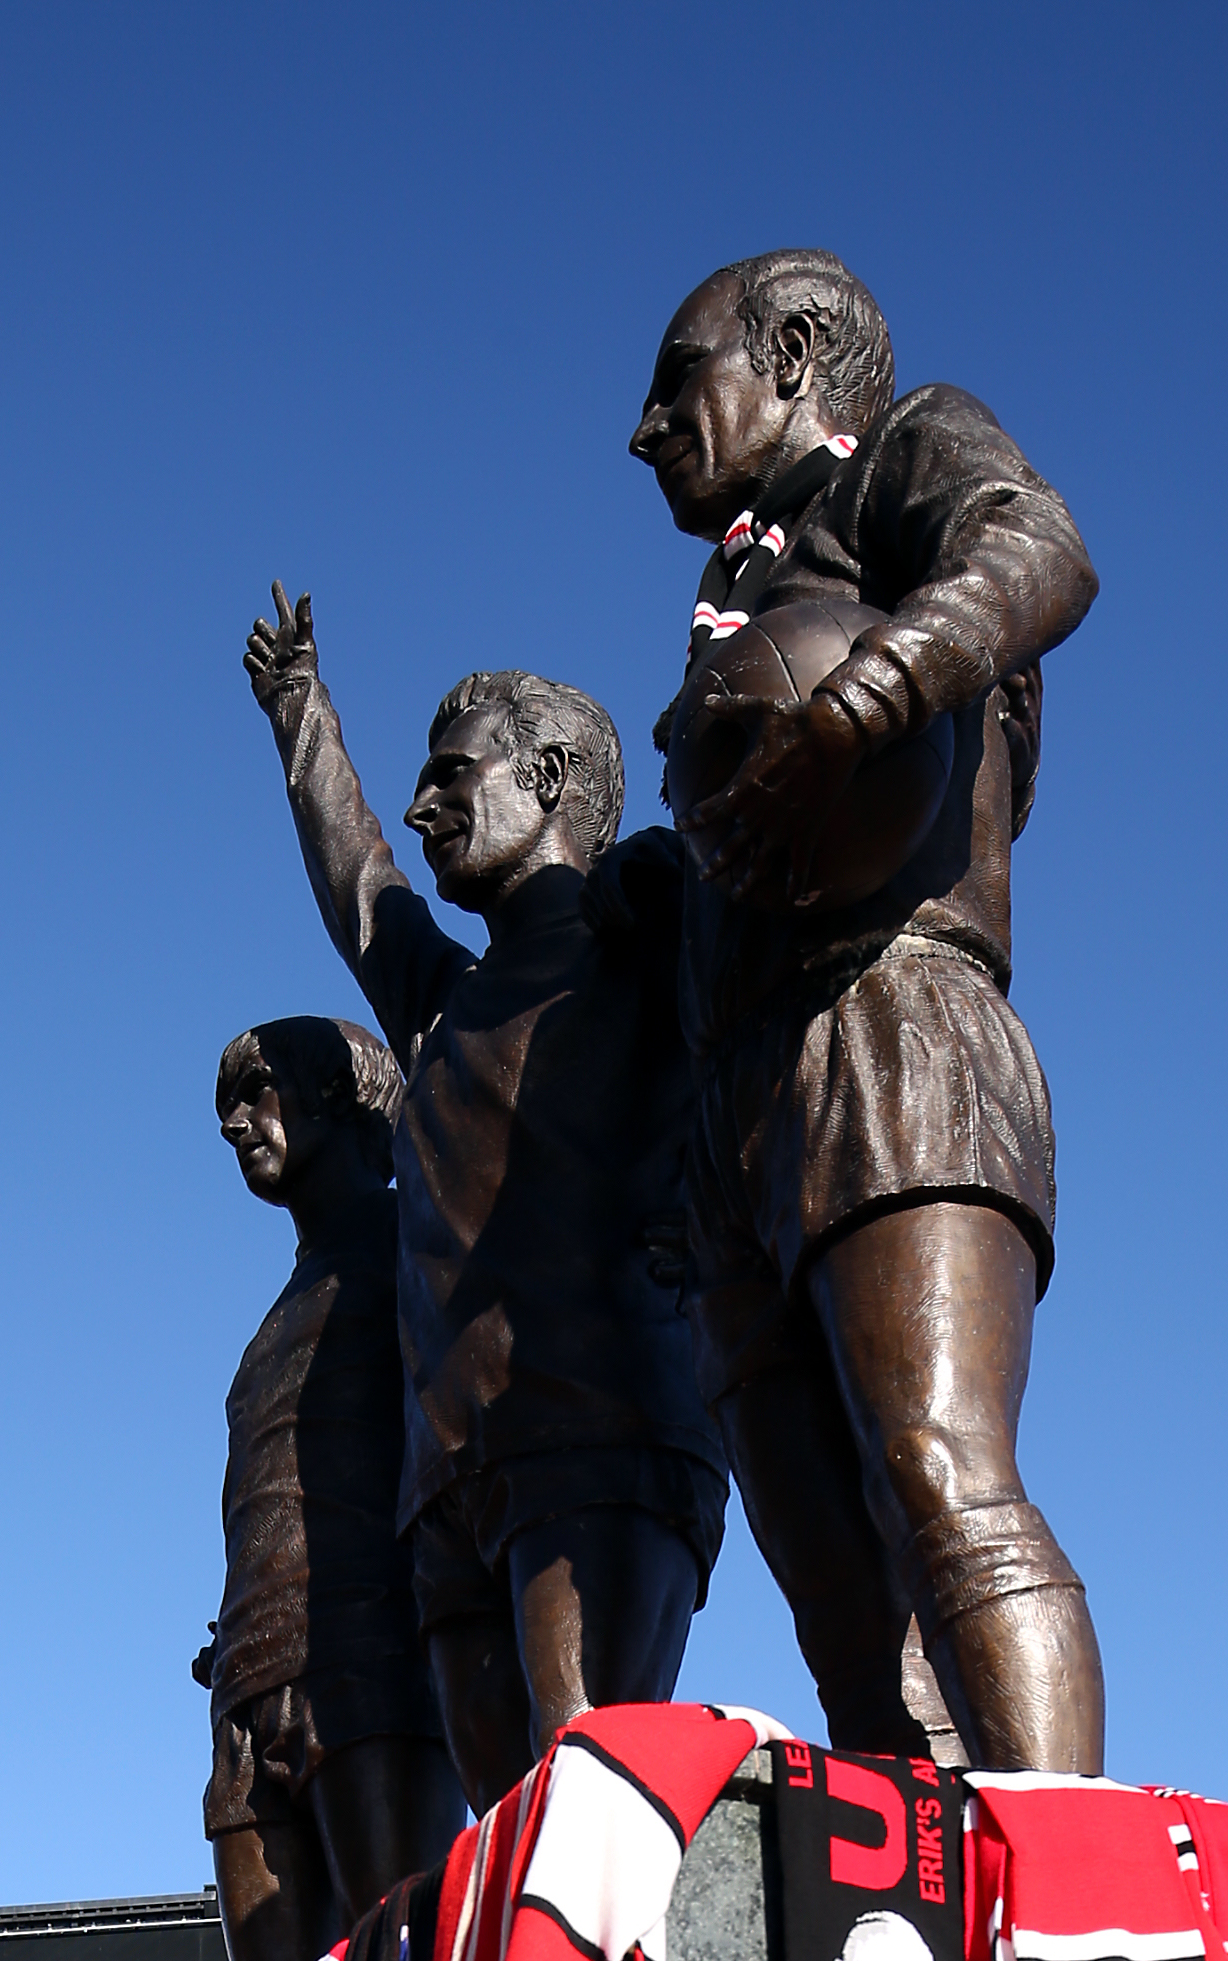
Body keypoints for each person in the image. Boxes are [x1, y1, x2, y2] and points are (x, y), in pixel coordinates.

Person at [625, 247, 1105, 1771]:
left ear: (793, 353)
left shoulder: (902, 452)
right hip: (742, 1119)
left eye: (675, 373)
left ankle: (1073, 1905)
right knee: (839, 1614)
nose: (644, 430)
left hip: (894, 1029)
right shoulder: (740, 590)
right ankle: (911, 1948)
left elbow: (1041, 549)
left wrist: (865, 702)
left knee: (942, 1478)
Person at [242, 594, 729, 1805]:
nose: (421, 810)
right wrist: (300, 711)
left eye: (454, 777)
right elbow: (362, 881)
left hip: (601, 1433)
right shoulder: (442, 1005)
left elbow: (768, 1072)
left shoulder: (654, 932)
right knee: (503, 1840)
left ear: (550, 775)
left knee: (586, 1804)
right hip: (450, 1479)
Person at [199, 1017, 464, 1961]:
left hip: (370, 1667)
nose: (236, 1123)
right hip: (246, 1689)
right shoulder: (284, 1303)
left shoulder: (417, 1239)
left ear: (343, 1100)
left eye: (259, 1089)